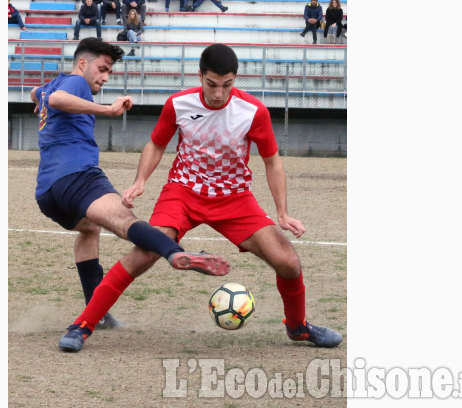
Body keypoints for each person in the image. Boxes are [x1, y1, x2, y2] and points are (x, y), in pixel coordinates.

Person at [58, 43, 342, 353]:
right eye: (211, 84)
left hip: (234, 198)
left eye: (227, 85)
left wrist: (282, 213)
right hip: (182, 192)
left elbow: (272, 161)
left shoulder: (254, 111)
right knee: (144, 254)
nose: (219, 93)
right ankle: (83, 324)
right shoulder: (178, 103)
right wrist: (140, 181)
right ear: (200, 76)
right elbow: (156, 144)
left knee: (288, 261)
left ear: (235, 79)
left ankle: (298, 328)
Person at [29, 38, 230, 342]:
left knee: (89, 230)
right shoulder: (75, 82)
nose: (105, 77)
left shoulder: (54, 82)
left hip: (48, 193)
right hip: (78, 176)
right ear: (82, 63)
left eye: (109, 72)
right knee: (125, 223)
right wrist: (107, 110)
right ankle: (176, 254)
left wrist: (37, 100)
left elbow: (41, 94)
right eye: (102, 68)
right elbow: (57, 100)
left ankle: (99, 312)